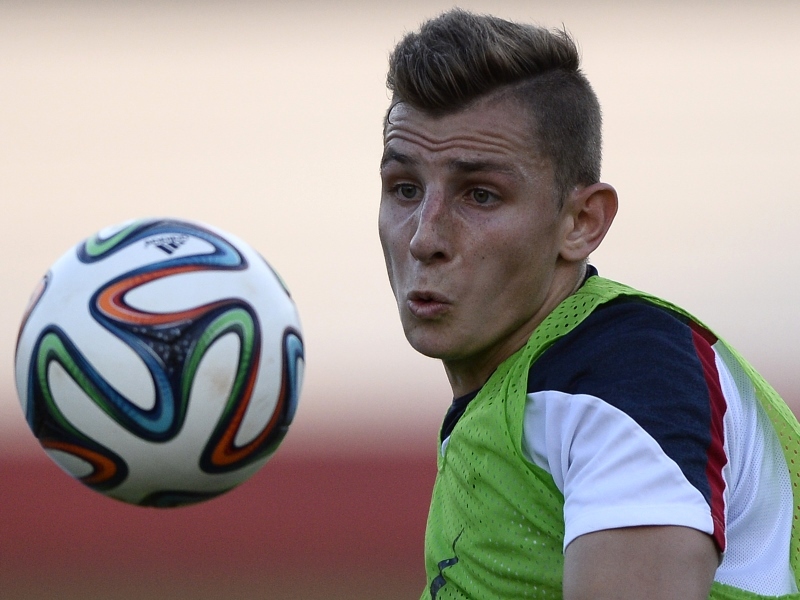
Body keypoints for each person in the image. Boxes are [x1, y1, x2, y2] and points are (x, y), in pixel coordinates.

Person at [377, 8, 800, 600]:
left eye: (481, 195)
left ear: (581, 222)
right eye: (404, 189)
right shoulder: (514, 390)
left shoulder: (626, 374)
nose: (424, 238)